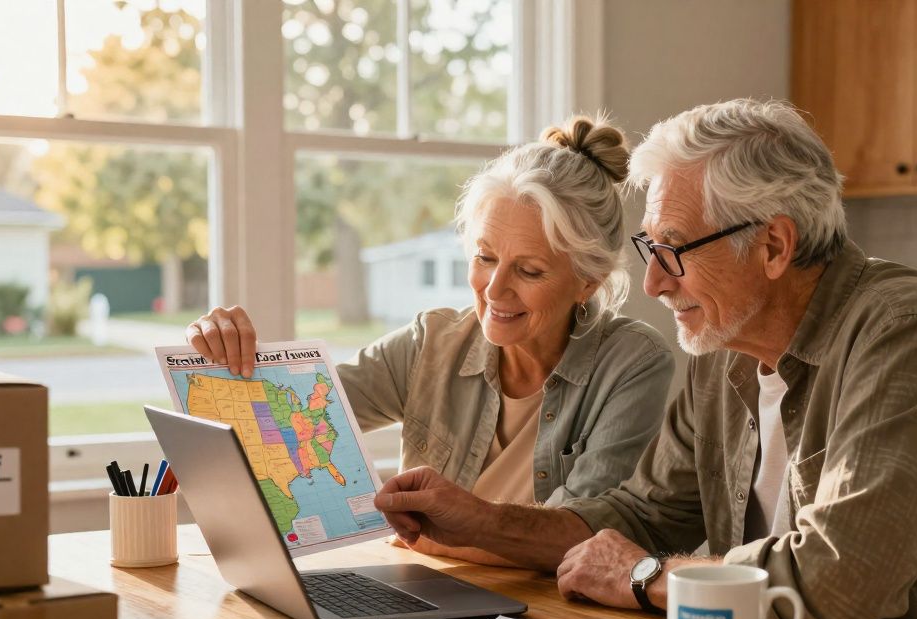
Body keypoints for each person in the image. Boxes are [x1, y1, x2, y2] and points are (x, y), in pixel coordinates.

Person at [373, 99, 917, 619]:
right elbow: (641, 513)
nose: (653, 283)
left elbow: (840, 583)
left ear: (774, 246)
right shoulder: (723, 352)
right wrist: (479, 522)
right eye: (649, 251)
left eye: (674, 251)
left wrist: (650, 576)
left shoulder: (904, 329)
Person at [186, 115, 674, 565]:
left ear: (587, 280)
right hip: (427, 595)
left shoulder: (632, 363)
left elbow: (587, 537)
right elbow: (281, 421)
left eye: (529, 270)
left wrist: (449, 533)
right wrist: (220, 357)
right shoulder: (433, 342)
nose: (495, 289)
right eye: (484, 257)